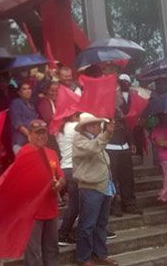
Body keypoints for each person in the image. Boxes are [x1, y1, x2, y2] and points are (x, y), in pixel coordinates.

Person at [72, 113, 117, 266]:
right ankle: (84, 257)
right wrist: (107, 134)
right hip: (90, 187)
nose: (99, 127)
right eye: (97, 124)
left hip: (103, 185)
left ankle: (100, 254)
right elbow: (92, 149)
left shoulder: (96, 140)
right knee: (87, 224)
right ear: (88, 126)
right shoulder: (80, 140)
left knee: (101, 223)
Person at [24, 120, 65, 266]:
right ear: (29, 135)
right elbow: (21, 183)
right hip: (33, 211)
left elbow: (61, 176)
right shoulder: (24, 153)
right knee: (34, 252)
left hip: (51, 209)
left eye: (43, 132)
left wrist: (60, 183)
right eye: (37, 133)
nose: (41, 136)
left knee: (52, 249)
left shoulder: (52, 153)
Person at [108, 74, 142, 216]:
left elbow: (127, 127)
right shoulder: (107, 110)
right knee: (112, 179)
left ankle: (129, 203)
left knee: (127, 178)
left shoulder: (124, 110)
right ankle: (112, 205)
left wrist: (132, 142)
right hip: (111, 148)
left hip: (124, 147)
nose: (120, 98)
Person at [57, 113, 80, 246]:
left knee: (74, 203)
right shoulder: (74, 127)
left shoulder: (60, 129)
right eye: (77, 115)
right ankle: (63, 233)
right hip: (74, 168)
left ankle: (66, 232)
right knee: (74, 204)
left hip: (65, 167)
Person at [9, 81, 38, 154]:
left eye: (29, 88)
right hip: (20, 142)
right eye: (24, 89)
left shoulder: (31, 105)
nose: (27, 91)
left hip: (30, 142)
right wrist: (30, 136)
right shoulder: (16, 103)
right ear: (19, 93)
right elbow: (18, 123)